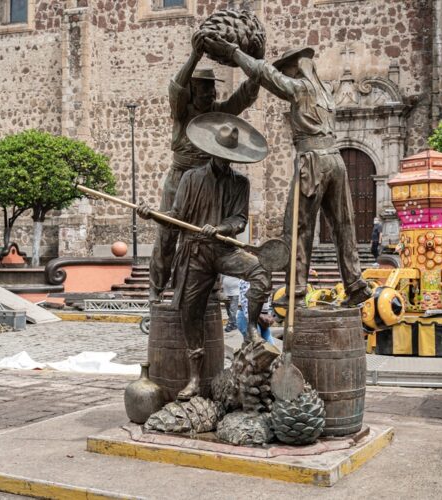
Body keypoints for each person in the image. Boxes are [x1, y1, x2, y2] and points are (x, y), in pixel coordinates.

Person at [206, 38, 372, 307]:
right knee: (344, 225)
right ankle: (356, 283)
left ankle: (295, 290)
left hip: (312, 161)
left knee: (296, 226)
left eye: (286, 69)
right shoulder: (325, 94)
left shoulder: (302, 89)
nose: (283, 73)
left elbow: (265, 74)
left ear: (296, 69)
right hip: (335, 160)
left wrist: (235, 54)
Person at [137, 113, 271, 400]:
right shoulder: (191, 178)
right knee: (190, 313)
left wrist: (221, 228)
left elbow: (240, 220)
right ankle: (195, 378)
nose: (225, 159)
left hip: (223, 250)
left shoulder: (240, 184)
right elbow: (176, 218)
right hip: (194, 253)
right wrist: (153, 216)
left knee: (260, 272)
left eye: (229, 156)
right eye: (220, 154)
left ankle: (251, 334)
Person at [148, 34, 260, 303]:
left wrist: (256, 65)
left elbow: (245, 95)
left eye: (213, 89)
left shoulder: (219, 114)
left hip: (209, 180)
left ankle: (211, 288)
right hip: (179, 178)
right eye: (205, 89)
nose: (211, 94)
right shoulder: (182, 112)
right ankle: (157, 289)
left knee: (212, 236)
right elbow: (175, 87)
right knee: (167, 234)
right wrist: (195, 55)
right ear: (193, 91)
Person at [236, 279, 274, 344]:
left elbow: (267, 300)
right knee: (256, 346)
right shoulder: (247, 279)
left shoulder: (264, 278)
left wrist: (268, 315)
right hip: (248, 318)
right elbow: (246, 303)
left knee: (270, 346)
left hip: (261, 317)